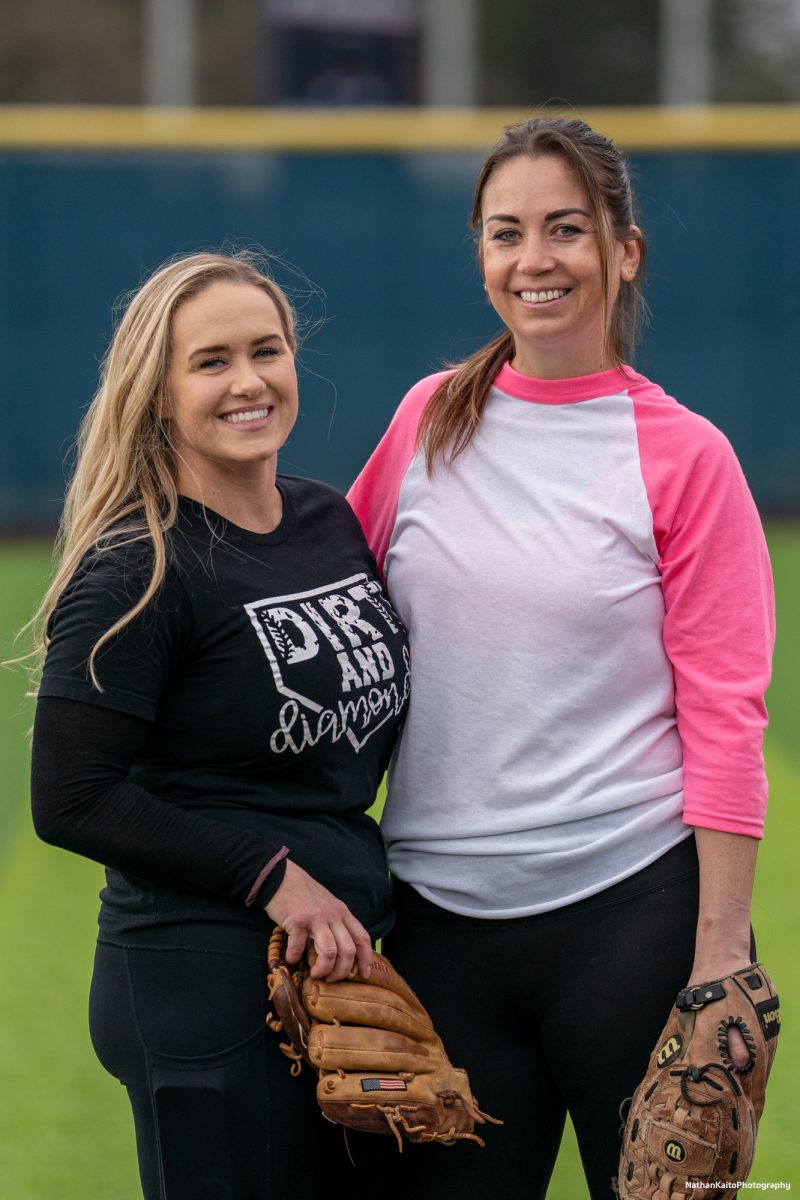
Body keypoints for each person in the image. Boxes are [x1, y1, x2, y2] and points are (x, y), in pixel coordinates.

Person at [348, 118, 774, 1199]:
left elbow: (725, 714)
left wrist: (718, 954)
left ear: (622, 251)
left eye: (564, 230)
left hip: (626, 920)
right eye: (505, 233)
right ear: (481, 254)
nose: (532, 259)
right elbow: (338, 621)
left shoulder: (687, 456)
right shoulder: (425, 419)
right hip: (435, 932)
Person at [28, 251, 410, 1199]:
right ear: (158, 394)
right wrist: (274, 878)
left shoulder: (327, 521)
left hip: (353, 968)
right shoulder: (135, 567)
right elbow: (70, 799)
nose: (248, 381)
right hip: (199, 980)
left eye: (266, 351)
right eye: (210, 362)